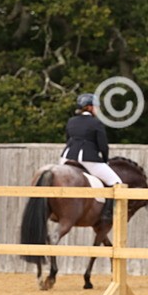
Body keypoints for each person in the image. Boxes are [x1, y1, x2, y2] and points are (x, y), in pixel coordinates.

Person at [60, 93, 123, 225]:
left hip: (66, 157)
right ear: (89, 107)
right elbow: (103, 146)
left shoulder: (71, 121)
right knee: (117, 183)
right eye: (96, 107)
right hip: (87, 158)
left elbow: (67, 139)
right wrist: (105, 161)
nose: (98, 109)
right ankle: (106, 215)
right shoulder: (96, 123)